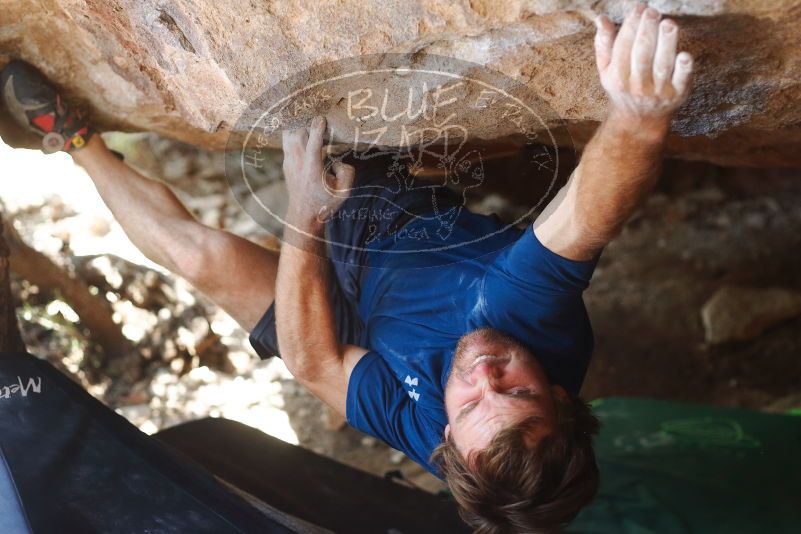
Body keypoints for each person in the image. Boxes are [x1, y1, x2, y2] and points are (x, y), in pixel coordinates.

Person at [1, 4, 693, 532]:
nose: (486, 374)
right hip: (394, 219)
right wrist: (637, 116)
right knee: (367, 144)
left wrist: (305, 214)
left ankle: (75, 141)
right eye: (516, 392)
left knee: (197, 256)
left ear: (447, 438)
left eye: (474, 404)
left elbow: (314, 365)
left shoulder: (437, 440)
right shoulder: (522, 326)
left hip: (345, 319)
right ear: (562, 398)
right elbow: (584, 219)